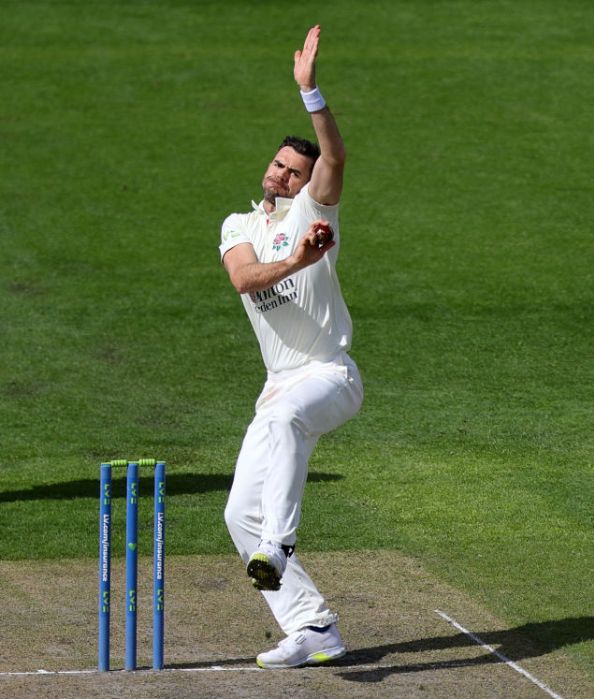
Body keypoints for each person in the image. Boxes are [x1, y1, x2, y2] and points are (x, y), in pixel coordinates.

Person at [218, 24, 363, 669]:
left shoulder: (314, 211)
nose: (281, 174)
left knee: (282, 424)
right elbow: (247, 279)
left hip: (331, 373)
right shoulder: (240, 225)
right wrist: (298, 264)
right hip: (279, 380)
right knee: (236, 514)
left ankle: (279, 545)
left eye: (293, 171)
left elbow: (335, 157)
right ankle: (313, 627)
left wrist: (311, 94)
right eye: (278, 164)